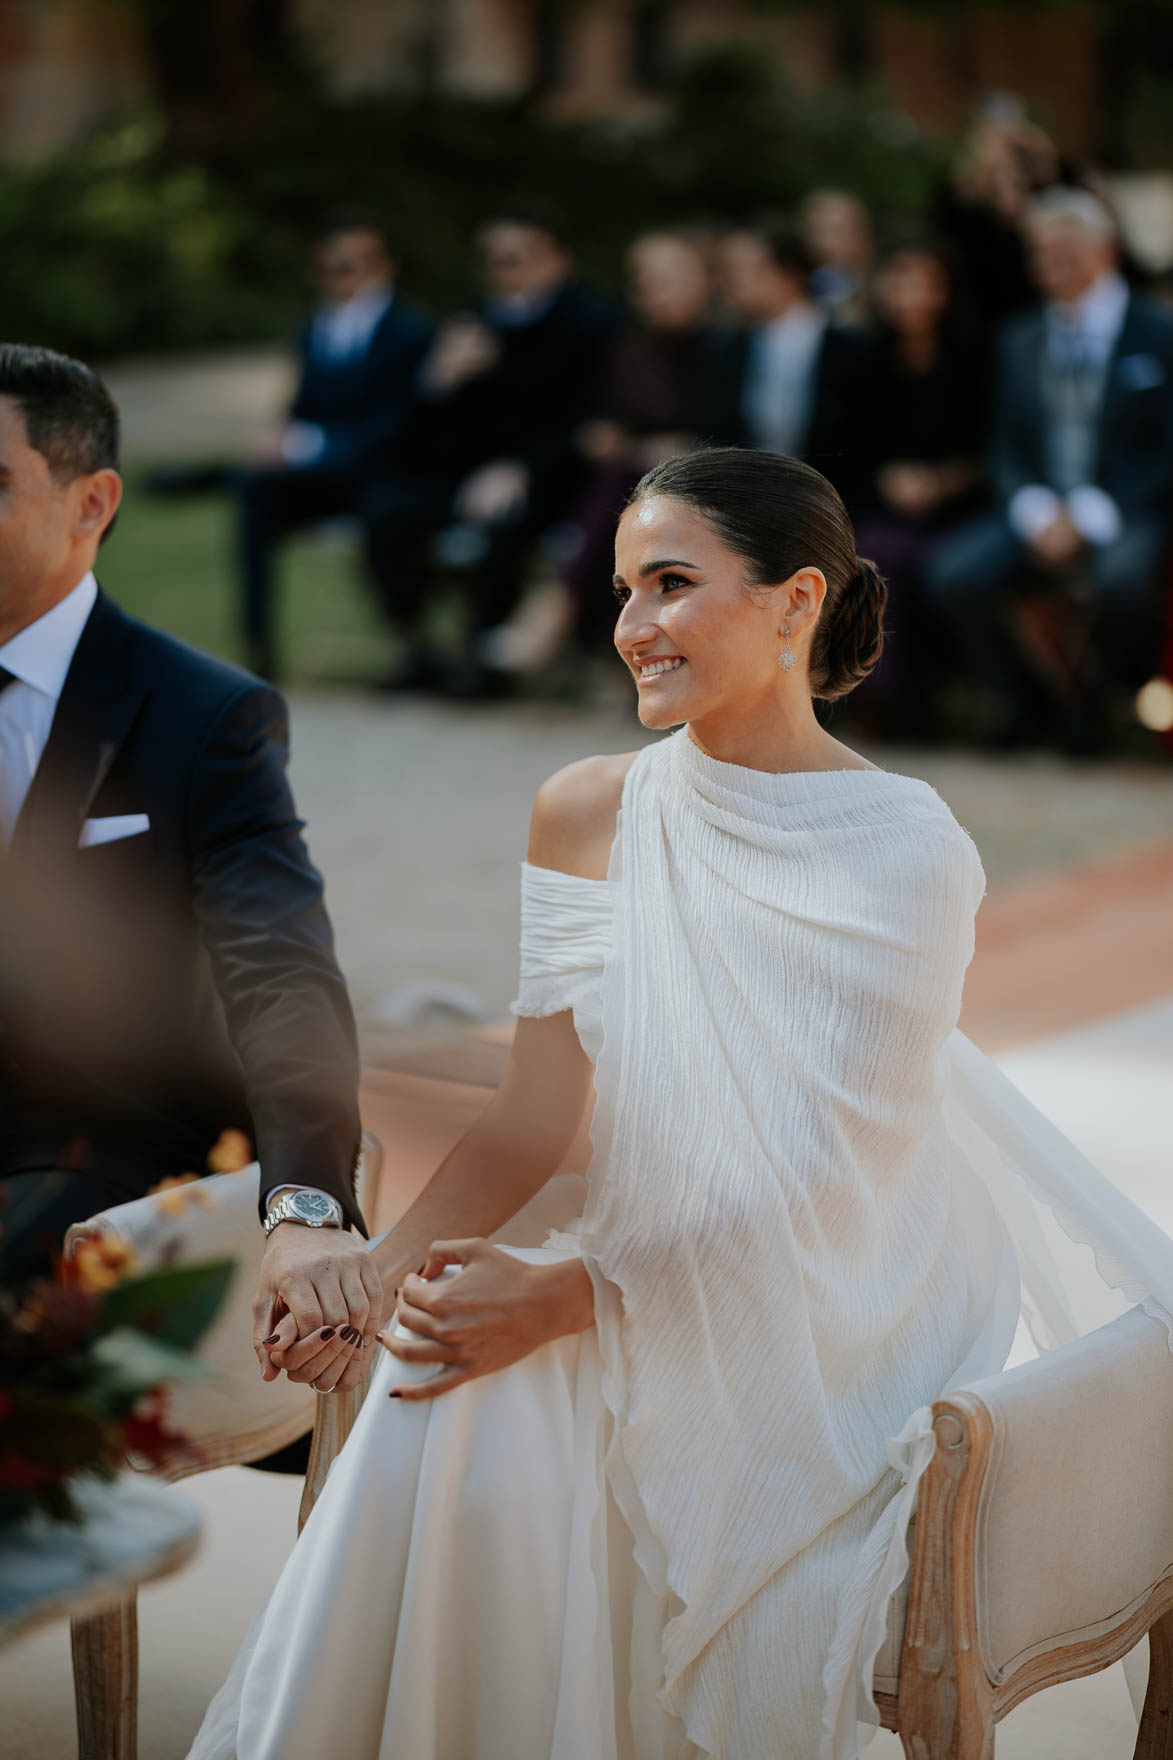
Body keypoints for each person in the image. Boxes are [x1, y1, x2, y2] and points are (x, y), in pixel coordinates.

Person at [192, 446, 1173, 1760]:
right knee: (439, 1376)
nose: (629, 630)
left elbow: (821, 1182)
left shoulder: (908, 849)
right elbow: (535, 1120)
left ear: (793, 602)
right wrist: (377, 1281)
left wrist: (562, 1295)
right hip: (645, 1256)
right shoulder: (585, 812)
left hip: (825, 1314)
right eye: (619, 590)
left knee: (488, 1393)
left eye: (669, 584)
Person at [0, 346, 380, 1406]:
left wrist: (305, 1204)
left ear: (92, 502)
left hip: (87, 1140)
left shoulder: (201, 715)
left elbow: (280, 967)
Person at [925, 188, 1173, 752]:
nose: (1048, 264)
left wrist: (1093, 511)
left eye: (1064, 249)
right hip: (1036, 506)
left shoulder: (1158, 332)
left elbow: (1165, 448)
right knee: (954, 573)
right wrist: (1035, 509)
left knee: (1123, 584)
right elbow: (1005, 444)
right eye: (1038, 251)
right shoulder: (1019, 337)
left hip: (1127, 505)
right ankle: (1028, 706)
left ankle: (1090, 714)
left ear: (1103, 249)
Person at [363, 210, 615, 696]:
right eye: (493, 262)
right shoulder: (471, 320)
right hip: (465, 475)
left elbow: (587, 423)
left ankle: (486, 660)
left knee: (505, 520)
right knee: (386, 510)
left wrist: (520, 470)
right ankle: (416, 646)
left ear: (553, 260)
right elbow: (419, 436)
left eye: (514, 260)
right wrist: (439, 381)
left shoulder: (589, 325)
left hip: (553, 479)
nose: (503, 274)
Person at [236, 216, 433, 681]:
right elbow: (302, 403)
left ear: (382, 267)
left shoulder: (409, 332)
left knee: (388, 513)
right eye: (332, 268)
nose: (342, 278)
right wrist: (280, 435)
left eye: (352, 266)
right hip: (324, 478)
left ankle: (411, 642)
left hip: (385, 473)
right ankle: (258, 645)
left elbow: (400, 427)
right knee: (253, 487)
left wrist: (310, 445)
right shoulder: (314, 329)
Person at [562, 229, 742, 653]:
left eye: (666, 278)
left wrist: (685, 448)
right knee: (625, 482)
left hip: (704, 484)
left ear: (703, 280)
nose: (652, 293)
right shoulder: (630, 352)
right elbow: (603, 421)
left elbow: (731, 428)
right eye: (642, 282)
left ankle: (560, 609)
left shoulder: (727, 348)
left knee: (630, 486)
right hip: (632, 483)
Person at [850, 233, 989, 740]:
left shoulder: (975, 356)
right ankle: (876, 701)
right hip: (884, 504)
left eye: (922, 283)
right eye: (899, 281)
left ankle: (917, 706)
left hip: (963, 506)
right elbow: (851, 443)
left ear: (945, 291)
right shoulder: (867, 357)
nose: (909, 294)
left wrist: (941, 482)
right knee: (873, 557)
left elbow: (990, 446)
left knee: (930, 564)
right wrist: (887, 478)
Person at [717, 223, 874, 508]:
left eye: (745, 268)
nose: (732, 280)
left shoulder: (848, 347)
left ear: (789, 273)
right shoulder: (730, 348)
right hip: (749, 502)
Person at [797, 188, 876, 329]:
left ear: (861, 234)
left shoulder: (881, 291)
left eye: (837, 231)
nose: (823, 243)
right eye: (816, 231)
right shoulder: (795, 292)